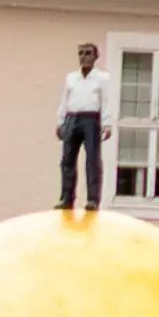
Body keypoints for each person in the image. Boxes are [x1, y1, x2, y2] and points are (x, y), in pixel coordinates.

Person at [57, 38, 110, 212]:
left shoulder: (102, 78)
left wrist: (107, 123)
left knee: (92, 159)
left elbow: (106, 101)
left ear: (95, 57)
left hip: (91, 118)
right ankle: (66, 197)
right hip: (72, 117)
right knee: (67, 159)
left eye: (88, 53)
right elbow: (65, 100)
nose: (83, 57)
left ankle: (93, 199)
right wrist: (60, 121)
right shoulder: (71, 78)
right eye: (81, 53)